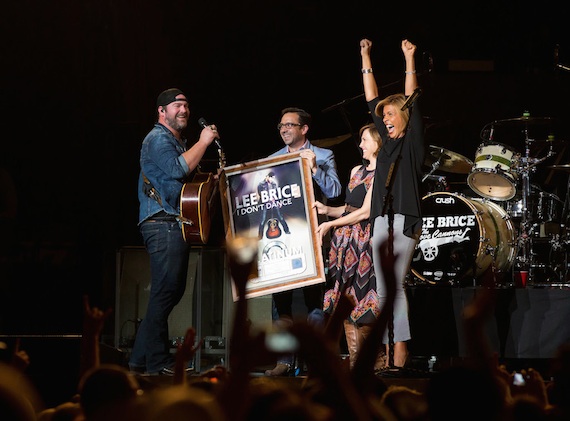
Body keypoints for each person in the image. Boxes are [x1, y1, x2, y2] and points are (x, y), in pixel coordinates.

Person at [129, 88, 219, 375]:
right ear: (162, 111)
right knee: (165, 291)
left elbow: (184, 183)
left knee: (168, 291)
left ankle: (138, 360)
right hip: (161, 223)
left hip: (173, 223)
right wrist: (204, 143)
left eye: (186, 105)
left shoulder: (176, 142)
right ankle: (157, 362)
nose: (184, 110)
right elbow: (178, 170)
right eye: (177, 105)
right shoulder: (157, 139)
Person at [360, 38, 425, 368]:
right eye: (382, 115)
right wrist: (365, 56)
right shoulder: (384, 144)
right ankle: (390, 349)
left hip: (403, 215)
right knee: (385, 290)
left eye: (390, 113)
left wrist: (408, 59)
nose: (384, 117)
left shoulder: (412, 140)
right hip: (381, 219)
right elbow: (370, 98)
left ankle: (400, 351)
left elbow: (412, 98)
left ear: (402, 115)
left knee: (394, 285)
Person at [264, 107, 342, 376]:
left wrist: (315, 168)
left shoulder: (323, 155)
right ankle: (284, 361)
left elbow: (334, 191)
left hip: (313, 240)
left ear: (304, 129)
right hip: (281, 241)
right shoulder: (271, 160)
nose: (284, 129)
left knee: (315, 301)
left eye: (290, 125)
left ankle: (314, 360)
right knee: (280, 302)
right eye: (281, 125)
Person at [314, 123, 385, 370]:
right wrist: (327, 211)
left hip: (362, 242)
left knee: (362, 299)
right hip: (343, 243)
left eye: (365, 140)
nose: (361, 145)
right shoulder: (356, 170)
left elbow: (364, 212)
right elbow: (348, 208)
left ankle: (374, 361)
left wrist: (331, 225)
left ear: (377, 143)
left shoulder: (382, 174)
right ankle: (357, 362)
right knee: (342, 300)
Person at [257, 171, 290, 238]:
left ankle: (287, 231)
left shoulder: (274, 184)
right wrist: (267, 198)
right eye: (272, 178)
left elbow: (277, 193)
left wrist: (278, 201)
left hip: (274, 202)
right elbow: (260, 194)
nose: (272, 180)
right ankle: (260, 236)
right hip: (265, 204)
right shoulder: (260, 184)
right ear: (267, 177)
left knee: (280, 217)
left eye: (273, 178)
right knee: (262, 220)